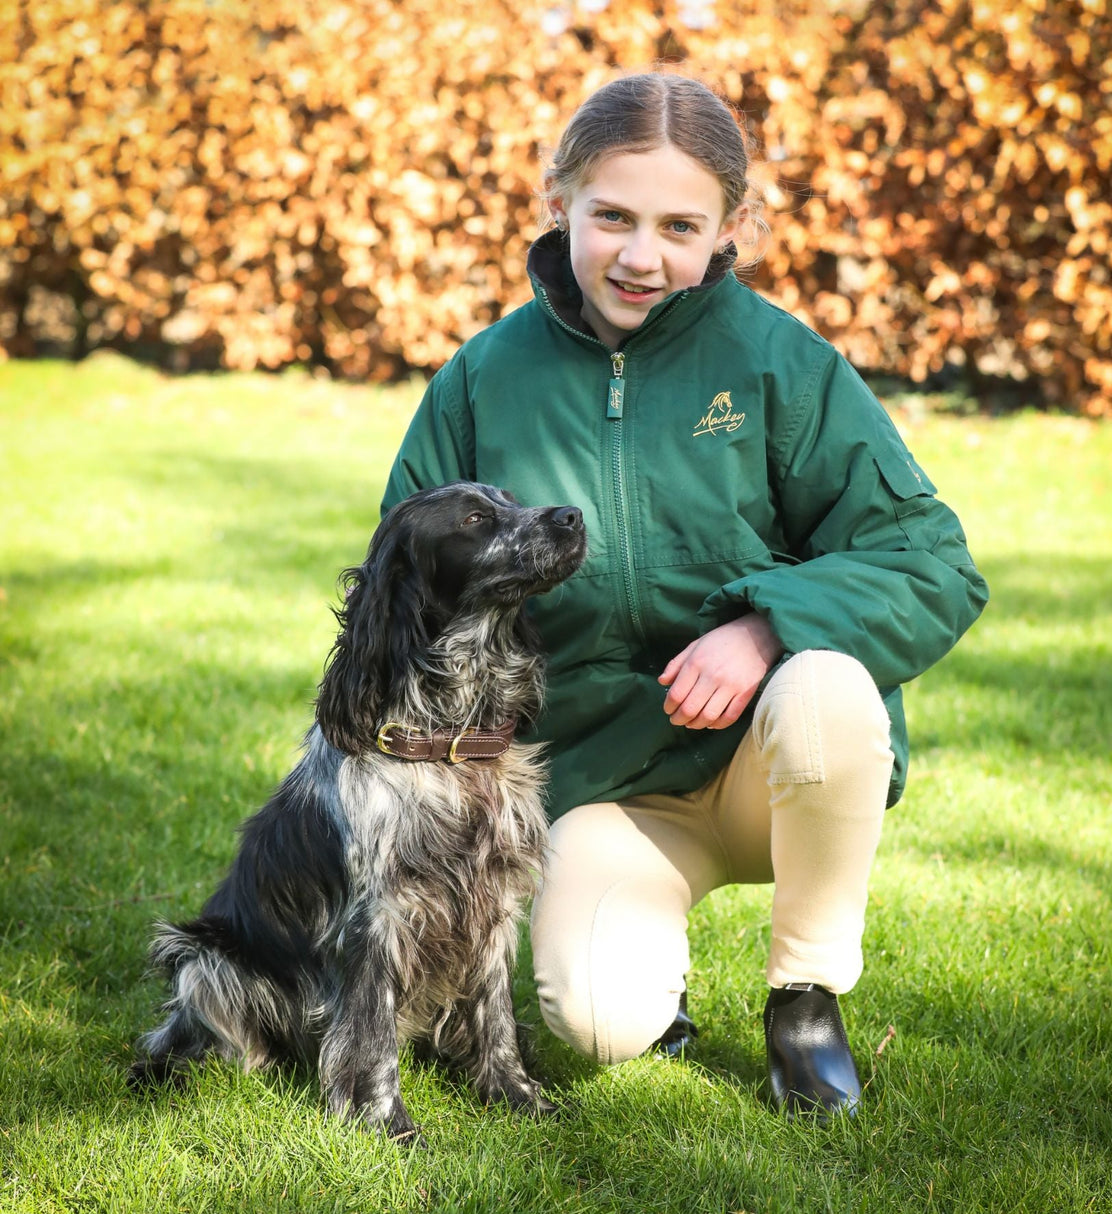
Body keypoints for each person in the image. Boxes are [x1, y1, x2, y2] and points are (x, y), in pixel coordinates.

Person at [380, 71, 988, 1120]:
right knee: (598, 1025)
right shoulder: (480, 380)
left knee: (825, 687)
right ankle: (650, 984)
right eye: (611, 215)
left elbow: (933, 559)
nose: (639, 255)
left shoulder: (775, 362)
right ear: (556, 200)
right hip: (604, 782)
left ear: (730, 228)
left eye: (679, 225)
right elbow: (407, 596)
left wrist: (764, 628)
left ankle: (803, 1000)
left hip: (777, 761)